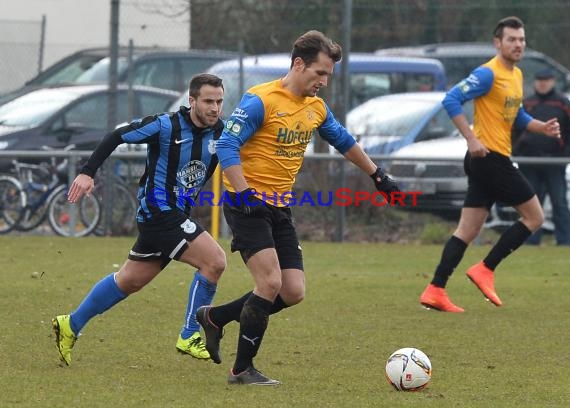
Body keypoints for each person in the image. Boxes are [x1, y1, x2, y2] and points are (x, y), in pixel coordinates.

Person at [195, 30, 399, 385]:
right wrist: (243, 194)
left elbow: (344, 141)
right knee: (270, 281)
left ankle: (216, 317)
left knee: (293, 291)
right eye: (319, 73)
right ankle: (242, 369)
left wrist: (378, 176)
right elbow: (226, 145)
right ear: (298, 64)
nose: (323, 81)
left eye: (328, 76)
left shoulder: (316, 108)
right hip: (247, 204)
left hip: (280, 207)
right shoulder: (261, 100)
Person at [52, 73, 227, 365]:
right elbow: (116, 136)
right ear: (192, 100)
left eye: (219, 101)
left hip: (176, 214)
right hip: (158, 212)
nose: (214, 108)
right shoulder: (165, 125)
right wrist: (87, 171)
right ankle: (189, 334)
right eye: (208, 101)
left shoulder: (221, 132)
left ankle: (71, 324)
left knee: (130, 281)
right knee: (215, 261)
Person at [418, 16, 561, 313]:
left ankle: (435, 289)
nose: (518, 44)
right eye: (512, 39)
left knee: (467, 230)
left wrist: (541, 127)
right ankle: (486, 268)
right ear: (498, 43)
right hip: (489, 158)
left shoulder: (517, 75)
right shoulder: (487, 74)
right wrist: (471, 138)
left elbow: (517, 115)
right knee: (534, 217)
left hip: (486, 159)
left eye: (521, 39)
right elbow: (451, 100)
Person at [513, 68, 570, 245]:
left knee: (559, 202)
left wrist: (565, 154)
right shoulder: (526, 103)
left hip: (554, 161)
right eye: (539, 79)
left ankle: (565, 241)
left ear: (552, 81)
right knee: (530, 204)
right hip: (529, 161)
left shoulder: (562, 103)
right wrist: (517, 151)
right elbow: (513, 129)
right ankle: (530, 240)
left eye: (546, 80)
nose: (542, 83)